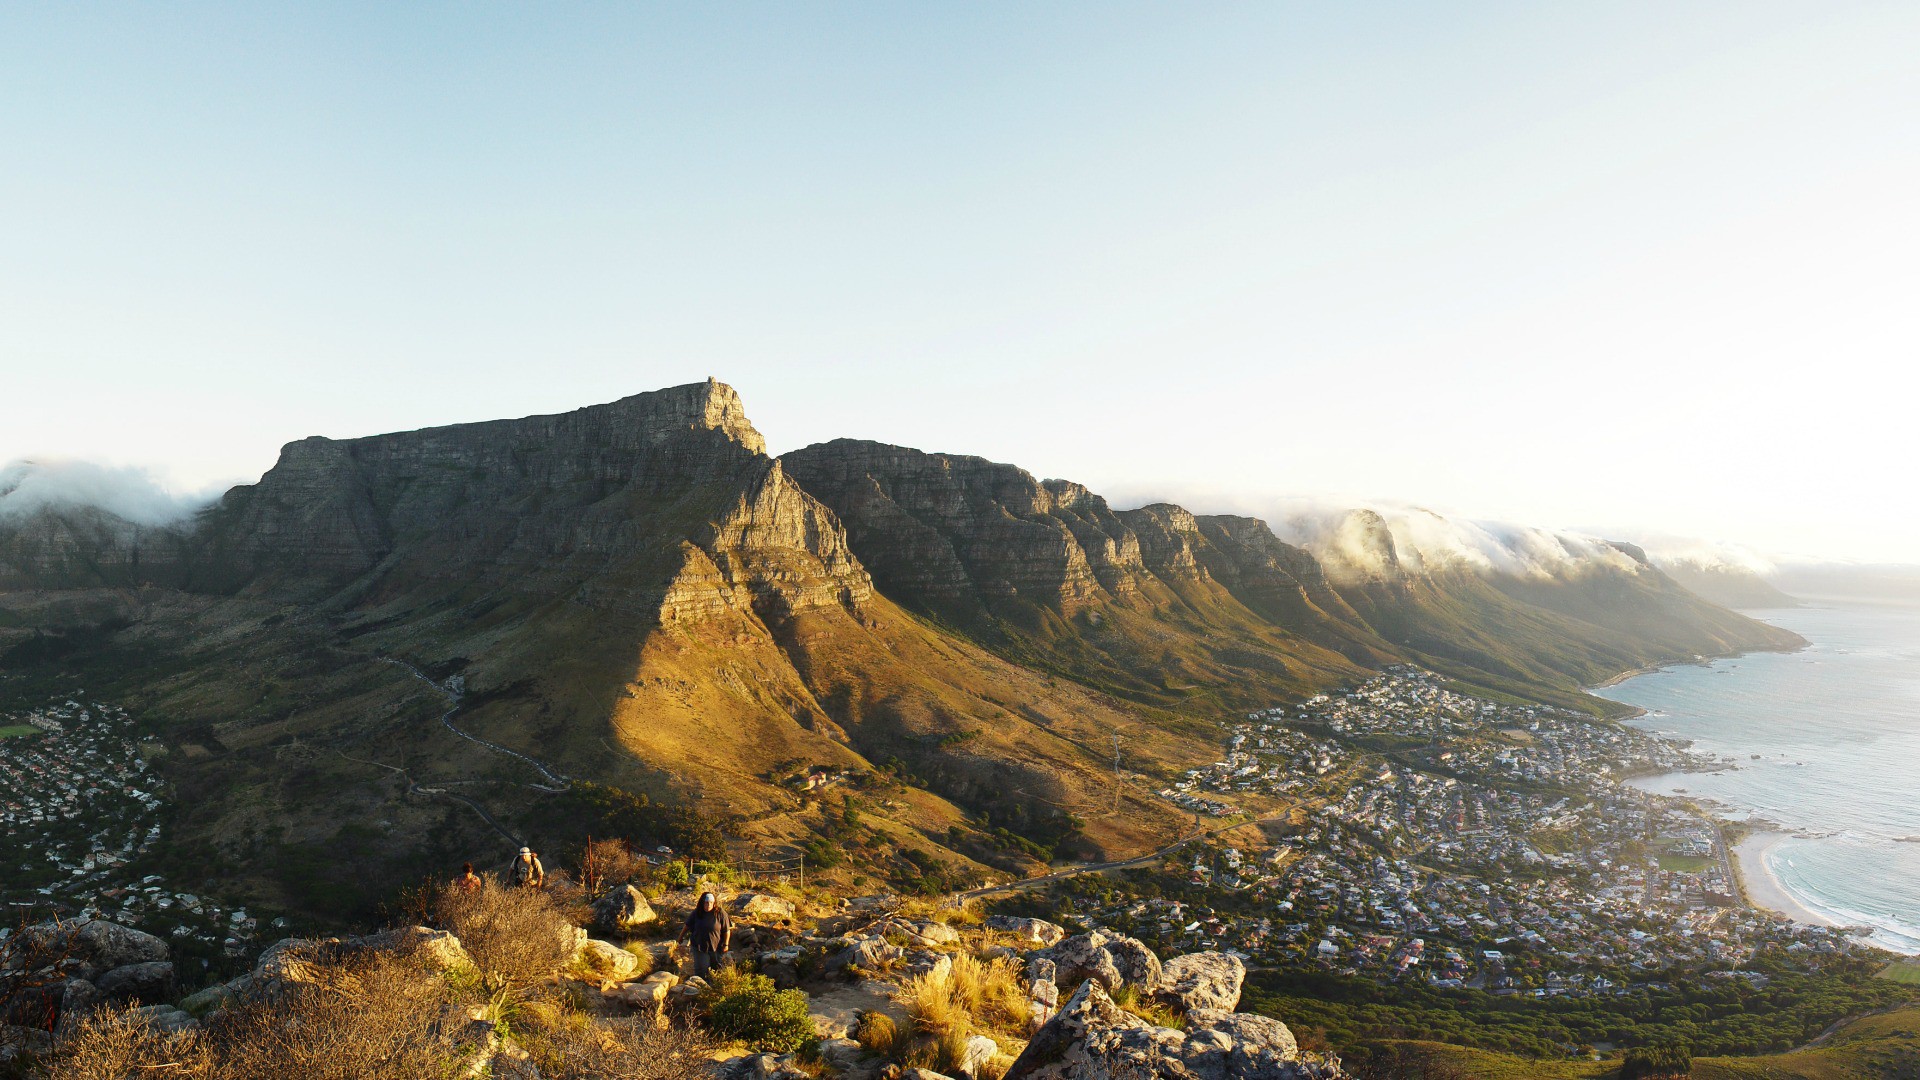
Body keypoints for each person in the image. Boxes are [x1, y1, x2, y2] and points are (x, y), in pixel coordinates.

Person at [678, 891, 731, 979]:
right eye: (706, 903)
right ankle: (700, 989)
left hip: (716, 947)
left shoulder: (720, 913)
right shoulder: (697, 913)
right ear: (702, 903)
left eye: (711, 903)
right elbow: (687, 926)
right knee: (701, 970)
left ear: (714, 903)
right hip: (700, 946)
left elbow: (727, 930)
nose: (708, 905)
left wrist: (726, 944)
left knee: (716, 969)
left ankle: (714, 990)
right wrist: (680, 937)